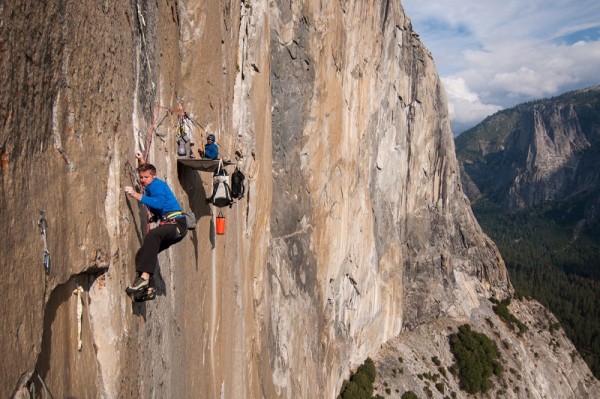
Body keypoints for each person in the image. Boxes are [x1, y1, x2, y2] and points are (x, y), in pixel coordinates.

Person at [124, 161, 187, 300]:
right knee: (143, 253)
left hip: (176, 224)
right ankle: (149, 290)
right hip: (170, 225)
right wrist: (141, 161)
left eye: (146, 177)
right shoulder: (152, 184)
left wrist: (135, 194)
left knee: (152, 236)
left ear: (154, 176)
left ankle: (144, 278)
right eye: (141, 177)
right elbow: (148, 171)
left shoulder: (157, 185)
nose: (143, 180)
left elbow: (158, 203)